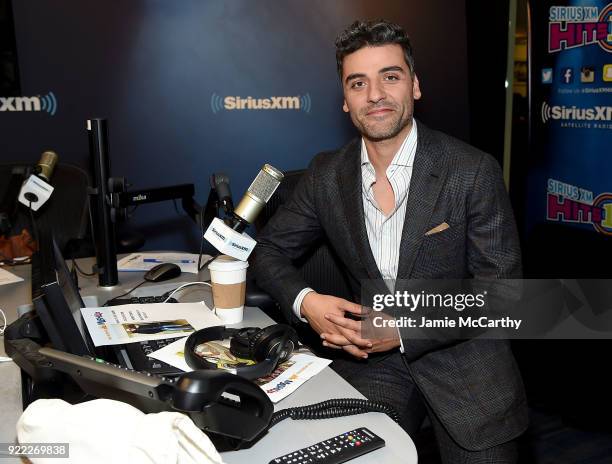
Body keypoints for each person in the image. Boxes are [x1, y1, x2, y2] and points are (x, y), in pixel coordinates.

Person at [252, 19, 528, 463]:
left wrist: (401, 328)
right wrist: (307, 302)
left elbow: (503, 295)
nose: (375, 94)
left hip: (466, 364)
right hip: (375, 364)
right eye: (358, 83)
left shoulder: (471, 170)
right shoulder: (326, 174)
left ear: (414, 86)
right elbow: (268, 250)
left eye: (390, 77)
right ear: (345, 100)